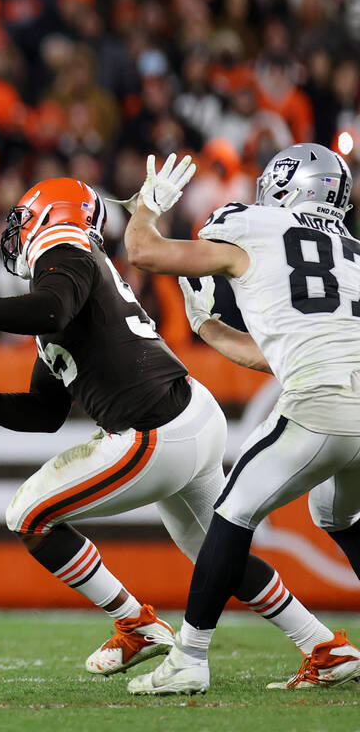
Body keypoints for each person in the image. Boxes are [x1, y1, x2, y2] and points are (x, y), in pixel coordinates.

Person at [0, 175, 338, 681]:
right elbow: (45, 412)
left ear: (48, 214)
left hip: (154, 430)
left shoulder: (65, 252)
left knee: (27, 515)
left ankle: (135, 625)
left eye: (21, 219)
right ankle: (324, 647)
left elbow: (50, 307)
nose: (14, 233)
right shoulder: (76, 274)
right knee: (213, 553)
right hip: (189, 415)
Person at [122, 144, 360, 694]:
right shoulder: (351, 250)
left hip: (318, 401)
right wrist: (209, 329)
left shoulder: (252, 224)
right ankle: (325, 654)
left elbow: (144, 253)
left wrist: (147, 206)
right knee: (338, 516)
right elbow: (273, 353)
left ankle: (190, 657)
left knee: (230, 512)